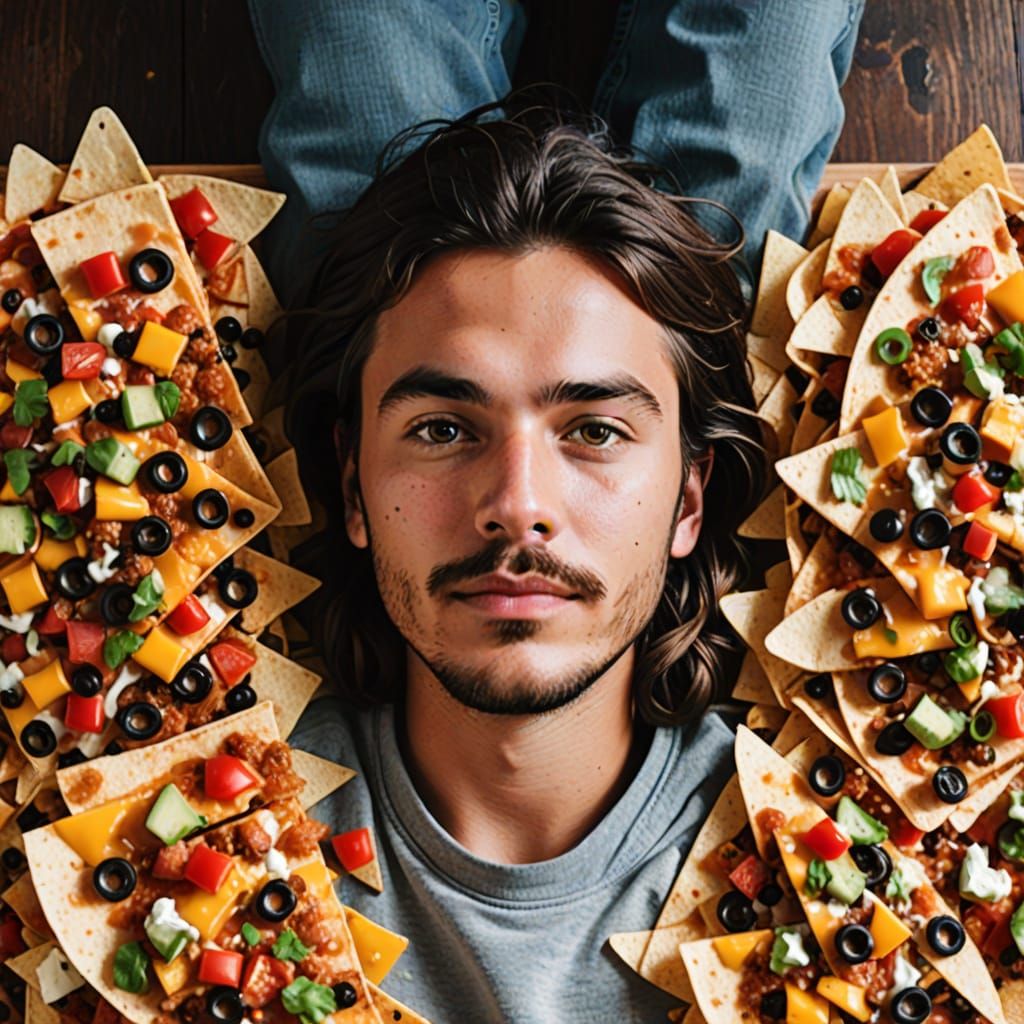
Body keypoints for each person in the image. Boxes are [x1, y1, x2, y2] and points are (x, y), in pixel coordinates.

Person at [247, 2, 865, 1020]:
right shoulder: (837, 840)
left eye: (591, 431)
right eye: (447, 429)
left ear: (687, 498)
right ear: (354, 490)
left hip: (361, 289)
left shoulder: (205, 816)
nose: (516, 507)